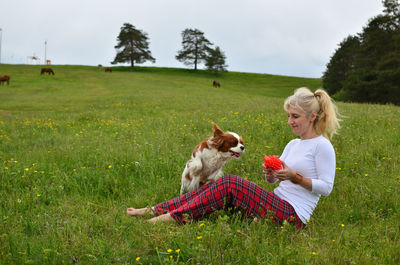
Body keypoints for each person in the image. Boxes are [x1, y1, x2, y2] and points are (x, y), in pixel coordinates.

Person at [127, 87, 341, 228]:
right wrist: (271, 175)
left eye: (295, 116)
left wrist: (296, 177)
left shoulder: (322, 146)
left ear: (312, 116)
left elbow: (327, 187)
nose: (289, 121)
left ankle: (168, 219)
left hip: (293, 215)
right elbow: (274, 181)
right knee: (217, 187)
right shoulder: (293, 144)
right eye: (288, 116)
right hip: (277, 201)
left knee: (229, 183)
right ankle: (154, 209)